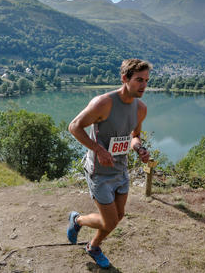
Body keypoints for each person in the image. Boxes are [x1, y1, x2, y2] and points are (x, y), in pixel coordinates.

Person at [67, 58, 151, 268]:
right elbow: (74, 127)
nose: (143, 85)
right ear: (125, 79)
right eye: (139, 80)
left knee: (119, 216)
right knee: (110, 222)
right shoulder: (103, 103)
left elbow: (135, 136)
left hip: (121, 170)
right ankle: (77, 220)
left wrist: (139, 148)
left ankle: (93, 246)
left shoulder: (140, 108)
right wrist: (98, 149)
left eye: (147, 80)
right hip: (99, 172)